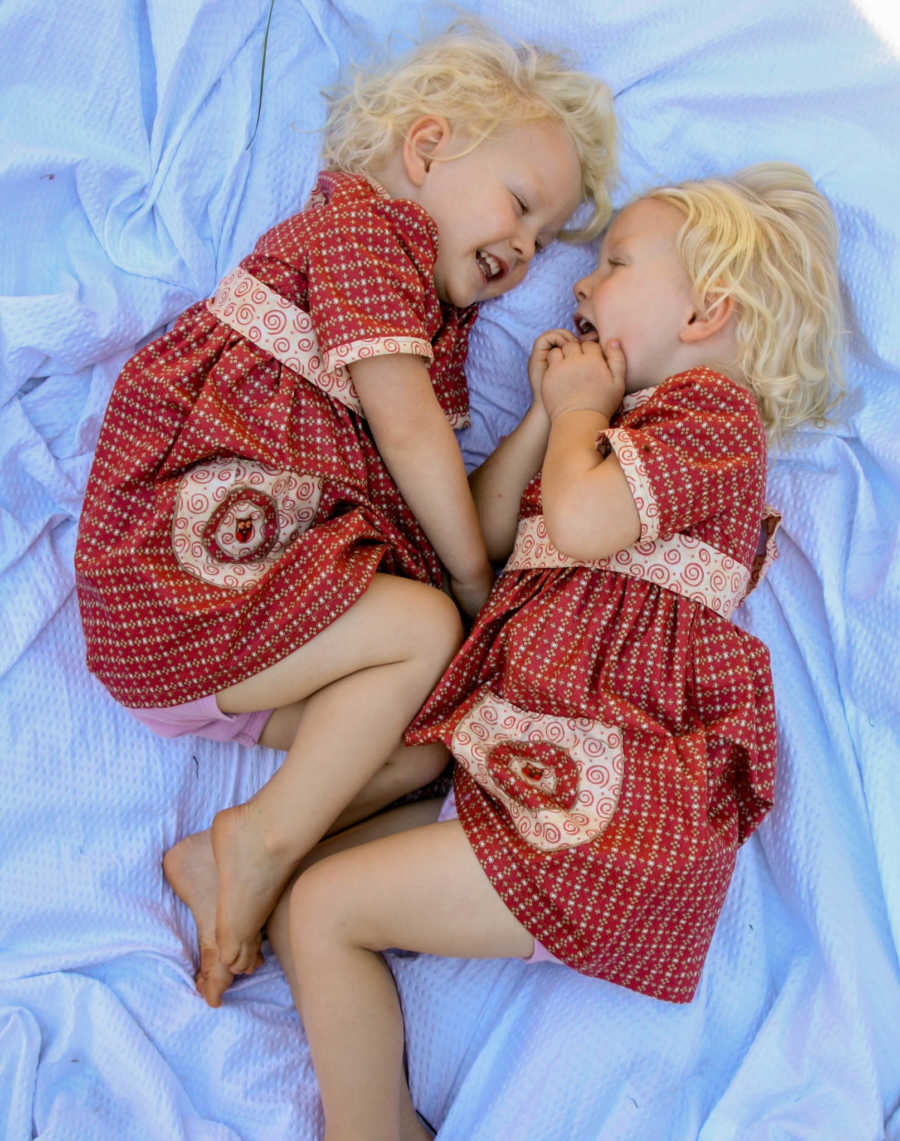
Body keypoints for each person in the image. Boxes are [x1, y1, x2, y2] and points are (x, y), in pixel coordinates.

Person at [257, 163, 845, 1139]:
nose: (579, 284)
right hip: (549, 791)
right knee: (298, 899)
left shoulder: (712, 418)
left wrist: (577, 419)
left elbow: (576, 523)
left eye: (613, 264)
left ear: (705, 312)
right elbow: (490, 542)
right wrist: (546, 417)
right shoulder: (612, 438)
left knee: (322, 908)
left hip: (617, 818)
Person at [73, 21, 617, 1000]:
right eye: (522, 205)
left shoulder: (435, 335)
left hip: (236, 647)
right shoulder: (365, 227)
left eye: (544, 240)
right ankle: (257, 843)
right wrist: (464, 585)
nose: (527, 250)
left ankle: (255, 860)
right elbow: (411, 445)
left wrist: (546, 417)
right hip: (173, 568)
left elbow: (460, 504)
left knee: (426, 742)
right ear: (427, 147)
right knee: (426, 625)